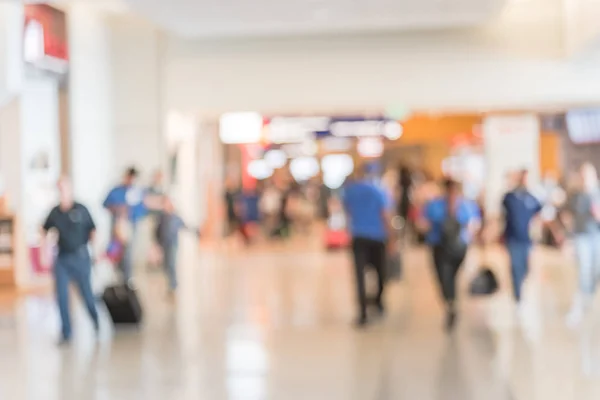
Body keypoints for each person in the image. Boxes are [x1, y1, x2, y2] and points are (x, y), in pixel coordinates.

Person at [42, 177, 99, 345]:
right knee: (61, 296)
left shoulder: (81, 209)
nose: (62, 192)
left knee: (87, 295)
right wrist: (43, 252)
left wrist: (95, 252)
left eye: (65, 188)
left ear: (70, 189)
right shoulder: (55, 212)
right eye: (59, 189)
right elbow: (43, 230)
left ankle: (96, 321)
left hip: (81, 257)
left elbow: (93, 230)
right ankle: (66, 332)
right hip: (62, 259)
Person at [421, 178, 480, 331]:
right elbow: (424, 224)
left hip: (458, 248)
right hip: (440, 246)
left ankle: (451, 301)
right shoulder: (434, 206)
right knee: (444, 277)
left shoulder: (466, 206)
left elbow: (474, 225)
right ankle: (450, 302)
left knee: (450, 276)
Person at [343, 163, 393, 327]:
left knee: (359, 276)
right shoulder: (379, 190)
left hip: (358, 236)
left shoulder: (351, 191)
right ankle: (378, 302)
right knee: (381, 272)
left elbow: (347, 212)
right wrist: (392, 236)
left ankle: (363, 312)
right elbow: (385, 214)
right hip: (378, 236)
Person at [561, 163, 600, 327]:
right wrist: (567, 237)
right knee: (584, 270)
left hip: (596, 236)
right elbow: (566, 214)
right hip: (581, 237)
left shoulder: (597, 194)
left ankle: (588, 297)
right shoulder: (575, 195)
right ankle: (579, 306)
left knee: (596, 270)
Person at [502, 169, 542, 309]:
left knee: (525, 267)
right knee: (515, 266)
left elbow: (539, 212)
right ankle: (517, 294)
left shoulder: (531, 198)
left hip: (526, 238)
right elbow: (501, 215)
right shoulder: (509, 197)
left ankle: (520, 284)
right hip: (512, 237)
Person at [103, 167, 149, 282]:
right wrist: (117, 209)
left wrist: (129, 211)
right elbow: (105, 204)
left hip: (130, 227)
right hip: (117, 227)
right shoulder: (116, 190)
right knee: (115, 252)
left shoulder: (137, 192)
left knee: (128, 253)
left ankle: (127, 279)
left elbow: (142, 210)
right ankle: (117, 277)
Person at [155, 196, 199, 296]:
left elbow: (186, 226)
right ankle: (171, 283)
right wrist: (157, 244)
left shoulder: (176, 217)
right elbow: (157, 232)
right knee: (166, 265)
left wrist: (196, 231)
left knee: (171, 264)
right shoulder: (162, 217)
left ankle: (173, 285)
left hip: (173, 244)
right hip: (164, 244)